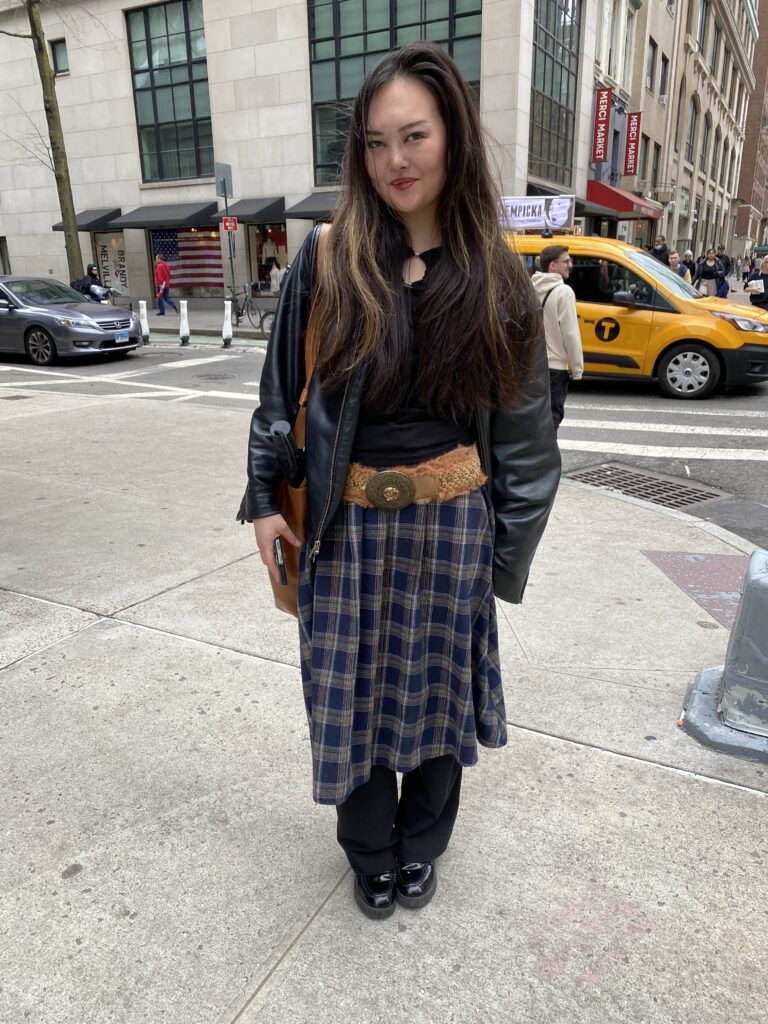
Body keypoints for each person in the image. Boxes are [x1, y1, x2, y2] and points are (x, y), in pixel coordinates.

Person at [237, 42, 561, 920]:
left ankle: (422, 845)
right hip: (343, 523)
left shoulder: (497, 275)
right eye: (376, 142)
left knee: (439, 700)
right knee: (349, 697)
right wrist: (265, 497)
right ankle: (367, 849)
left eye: (413, 135)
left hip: (452, 523)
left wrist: (505, 558)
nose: (395, 161)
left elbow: (529, 439)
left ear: (451, 135)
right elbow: (279, 394)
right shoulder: (328, 258)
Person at [530, 245, 583, 432]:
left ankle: (535, 457)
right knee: (552, 417)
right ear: (553, 266)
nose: (570, 265)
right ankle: (547, 459)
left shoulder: (530, 287)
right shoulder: (564, 292)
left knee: (534, 417)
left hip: (532, 365)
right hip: (555, 367)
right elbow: (570, 332)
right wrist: (577, 367)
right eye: (566, 261)